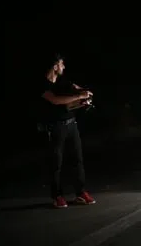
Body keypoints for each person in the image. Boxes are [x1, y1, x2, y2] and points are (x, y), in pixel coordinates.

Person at [40, 53, 96, 208]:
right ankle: (57, 196)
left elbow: (76, 89)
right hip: (55, 127)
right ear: (55, 66)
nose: (63, 66)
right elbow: (56, 100)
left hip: (72, 125)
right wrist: (79, 96)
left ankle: (81, 193)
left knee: (77, 159)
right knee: (56, 163)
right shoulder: (43, 85)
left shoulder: (63, 80)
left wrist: (84, 95)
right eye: (61, 64)